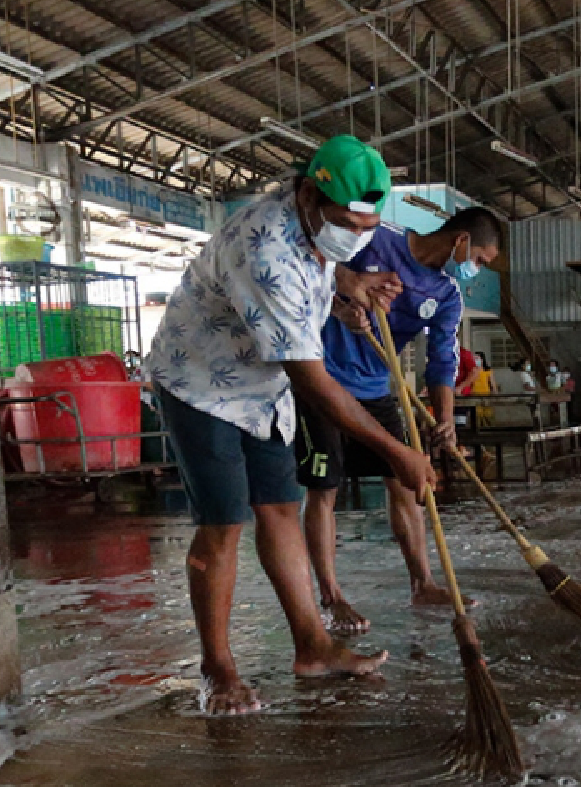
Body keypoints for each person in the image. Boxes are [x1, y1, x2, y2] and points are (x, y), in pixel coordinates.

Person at [145, 135, 436, 715]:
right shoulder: (265, 250)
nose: (357, 235)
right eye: (347, 222)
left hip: (262, 391)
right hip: (202, 385)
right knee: (224, 523)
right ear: (309, 195)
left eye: (368, 224)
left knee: (280, 507)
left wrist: (346, 291)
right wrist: (396, 451)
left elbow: (316, 278)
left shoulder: (307, 224)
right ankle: (217, 667)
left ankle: (313, 646)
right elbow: (314, 381)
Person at [296, 207, 504, 625]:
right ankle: (332, 597)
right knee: (325, 488)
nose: (476, 269)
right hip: (323, 378)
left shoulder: (446, 294)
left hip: (376, 389)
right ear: (461, 240)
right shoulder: (378, 240)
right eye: (479, 259)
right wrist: (342, 301)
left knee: (408, 484)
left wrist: (444, 418)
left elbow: (441, 360)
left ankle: (423, 584)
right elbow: (314, 261)